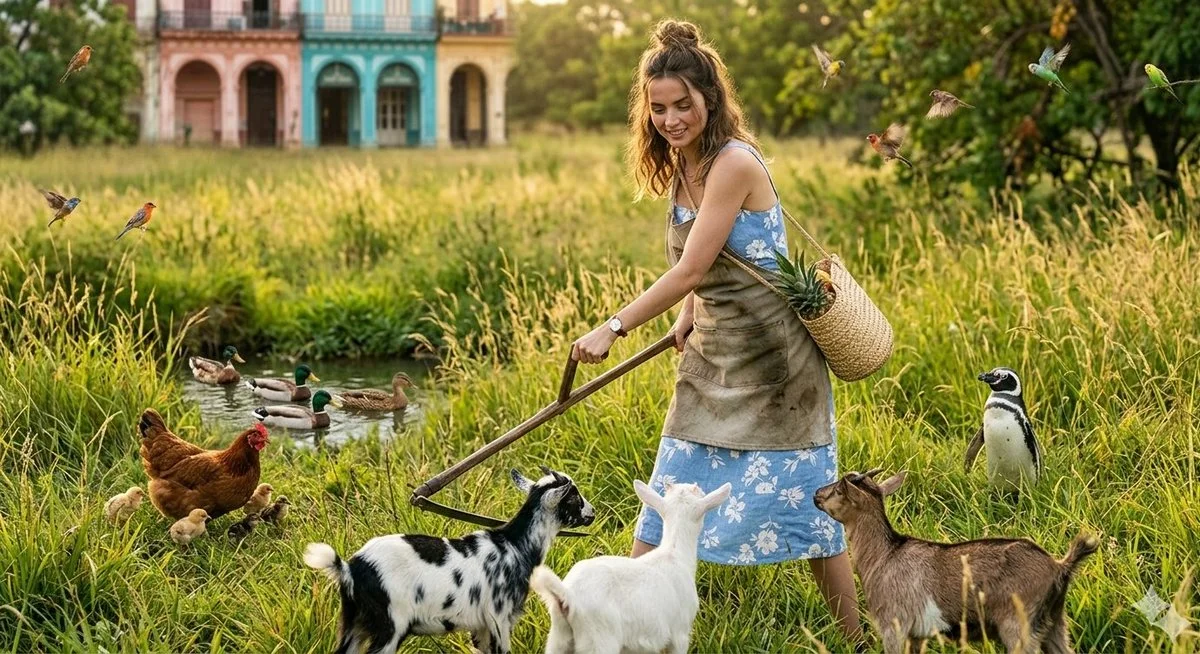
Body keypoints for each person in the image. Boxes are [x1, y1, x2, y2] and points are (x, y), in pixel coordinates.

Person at [570, 18, 863, 645]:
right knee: (664, 495)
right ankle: (628, 627)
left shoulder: (732, 164)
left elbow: (693, 265)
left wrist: (614, 326)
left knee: (813, 512)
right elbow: (714, 267)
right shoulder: (682, 164)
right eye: (658, 108)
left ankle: (858, 640)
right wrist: (688, 312)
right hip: (715, 355)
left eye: (683, 105)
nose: (671, 119)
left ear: (710, 100)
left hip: (774, 363)